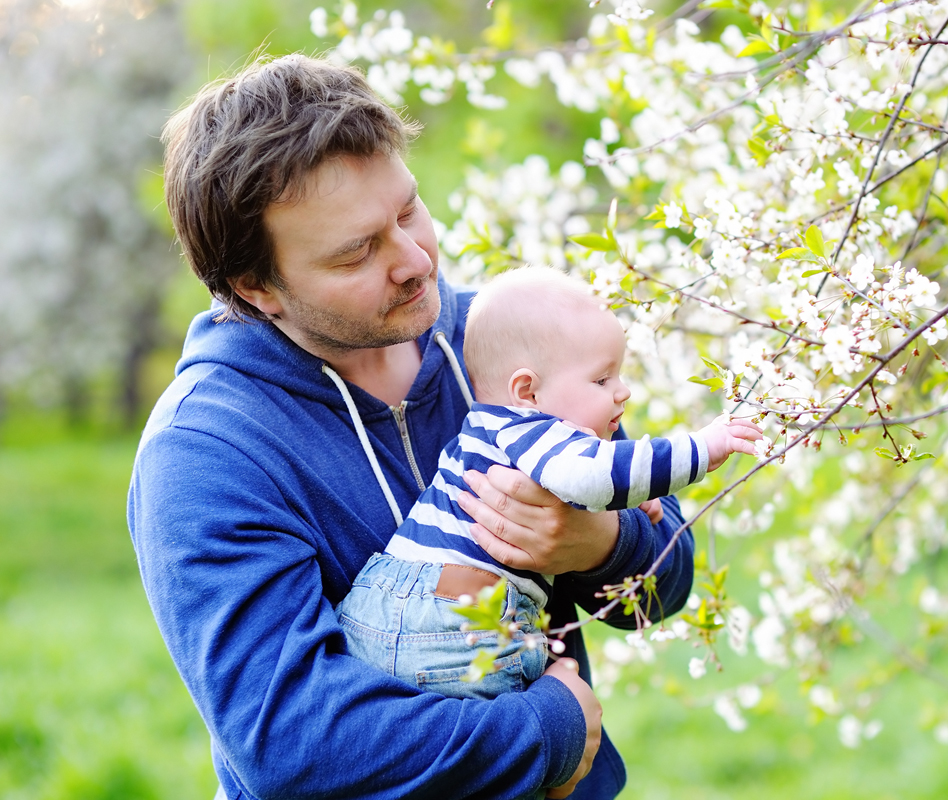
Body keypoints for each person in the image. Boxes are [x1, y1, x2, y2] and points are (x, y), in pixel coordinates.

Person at [127, 55, 695, 800]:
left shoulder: (499, 344)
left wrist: (597, 542)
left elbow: (667, 581)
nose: (416, 259)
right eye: (357, 250)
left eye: (407, 211)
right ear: (255, 286)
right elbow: (295, 740)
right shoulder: (206, 454)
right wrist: (548, 732)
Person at [337, 267, 761, 707]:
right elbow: (594, 477)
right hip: (449, 619)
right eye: (602, 380)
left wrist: (621, 518)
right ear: (528, 391)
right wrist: (704, 448)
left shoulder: (498, 426)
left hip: (384, 609)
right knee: (525, 734)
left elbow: (616, 497)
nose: (623, 392)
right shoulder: (534, 431)